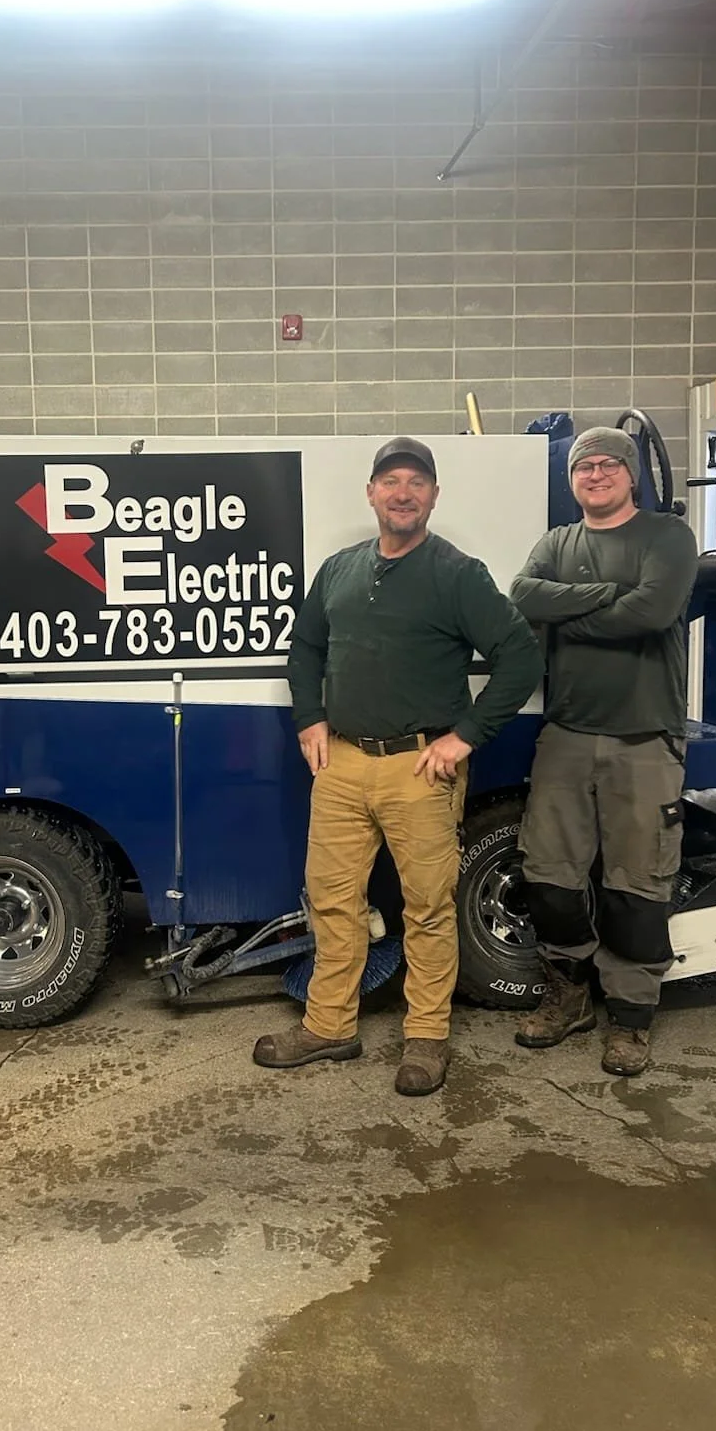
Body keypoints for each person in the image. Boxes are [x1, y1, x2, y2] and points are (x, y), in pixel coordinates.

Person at [254, 437, 542, 1096]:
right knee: (331, 898)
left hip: (421, 770)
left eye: (417, 481)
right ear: (371, 493)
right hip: (344, 766)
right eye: (391, 481)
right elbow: (304, 647)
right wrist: (310, 719)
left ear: (434, 496)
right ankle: (330, 1026)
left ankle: (426, 1038)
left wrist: (464, 737)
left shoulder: (457, 574)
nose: (403, 492)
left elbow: (521, 657)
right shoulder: (339, 570)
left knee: (429, 907)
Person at [510, 426, 698, 1077]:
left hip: (645, 737)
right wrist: (603, 599)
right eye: (582, 467)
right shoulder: (558, 542)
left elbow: (650, 613)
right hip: (567, 733)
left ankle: (630, 1018)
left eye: (607, 465)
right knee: (548, 874)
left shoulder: (667, 537)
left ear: (632, 475)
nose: (594, 474)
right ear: (571, 481)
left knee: (637, 885)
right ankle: (570, 997)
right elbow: (525, 595)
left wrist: (567, 612)